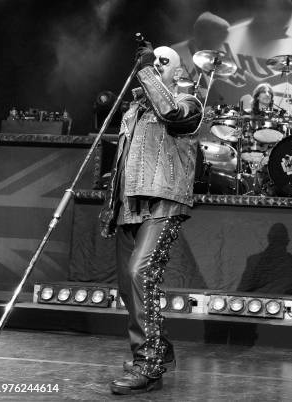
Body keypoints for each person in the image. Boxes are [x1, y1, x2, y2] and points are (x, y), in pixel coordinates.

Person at [99, 42, 203, 394]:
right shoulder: (133, 111)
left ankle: (149, 364)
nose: (155, 64)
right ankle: (158, 348)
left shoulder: (191, 103)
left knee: (140, 273)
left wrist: (145, 71)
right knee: (127, 285)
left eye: (163, 61)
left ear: (178, 72)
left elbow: (172, 113)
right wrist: (112, 206)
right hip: (129, 205)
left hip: (163, 202)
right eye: (151, 60)